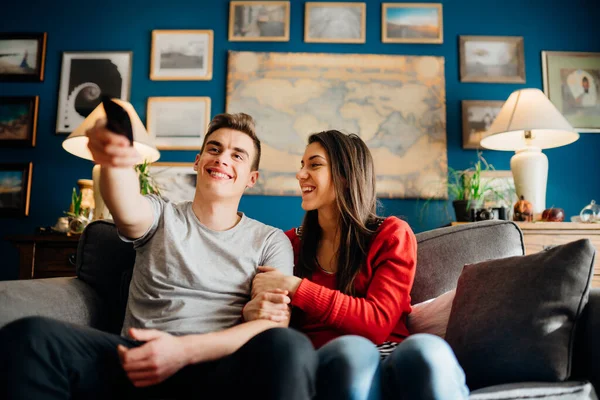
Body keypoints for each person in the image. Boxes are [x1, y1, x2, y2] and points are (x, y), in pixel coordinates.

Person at [0, 112, 317, 400]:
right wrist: (115, 162)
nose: (222, 159)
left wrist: (181, 351)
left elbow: (270, 325)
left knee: (290, 345)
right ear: (197, 161)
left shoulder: (270, 240)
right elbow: (125, 204)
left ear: (251, 178)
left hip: (217, 368)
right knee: (31, 336)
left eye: (238, 155)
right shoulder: (161, 214)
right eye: (214, 149)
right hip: (136, 359)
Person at [243, 130, 469, 400]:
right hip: (329, 364)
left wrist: (297, 287)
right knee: (351, 352)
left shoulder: (391, 233)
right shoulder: (288, 243)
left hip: (393, 359)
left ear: (345, 176)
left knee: (427, 350)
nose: (300, 174)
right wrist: (253, 309)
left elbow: (378, 322)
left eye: (314, 164)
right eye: (302, 165)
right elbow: (273, 316)